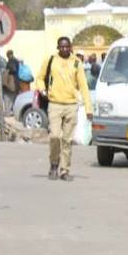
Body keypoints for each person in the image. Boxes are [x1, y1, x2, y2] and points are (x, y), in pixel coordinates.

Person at [36, 37, 93, 181]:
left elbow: (84, 86)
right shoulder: (51, 60)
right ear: (58, 48)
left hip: (71, 105)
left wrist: (88, 108)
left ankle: (64, 170)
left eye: (67, 47)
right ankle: (54, 164)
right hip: (54, 104)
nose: (65, 49)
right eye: (62, 47)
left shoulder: (76, 63)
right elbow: (40, 77)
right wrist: (42, 90)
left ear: (71, 47)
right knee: (55, 136)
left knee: (67, 140)